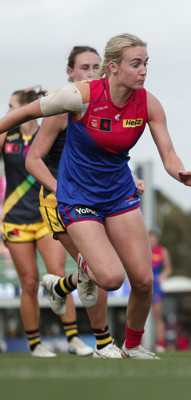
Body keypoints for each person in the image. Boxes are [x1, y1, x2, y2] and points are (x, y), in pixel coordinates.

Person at [0, 33, 191, 359]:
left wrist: (180, 172)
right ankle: (71, 296)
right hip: (78, 198)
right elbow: (23, 115)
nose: (143, 71)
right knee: (109, 277)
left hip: (119, 195)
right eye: (135, 64)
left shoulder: (148, 103)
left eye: (146, 64)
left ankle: (132, 346)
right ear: (114, 67)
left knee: (143, 281)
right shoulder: (77, 96)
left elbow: (169, 155)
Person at [28, 46, 127, 358]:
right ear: (70, 72)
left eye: (97, 66)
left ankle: (61, 286)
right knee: (99, 270)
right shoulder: (62, 108)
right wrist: (62, 189)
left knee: (104, 271)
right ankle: (103, 344)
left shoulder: (105, 108)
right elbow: (33, 161)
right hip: (61, 201)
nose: (92, 71)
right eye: (85, 66)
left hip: (97, 199)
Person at [1, 88, 93, 357]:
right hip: (15, 218)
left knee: (56, 270)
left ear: (25, 107)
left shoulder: (47, 131)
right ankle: (35, 343)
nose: (8, 110)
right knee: (28, 284)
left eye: (11, 105)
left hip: (44, 214)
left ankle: (73, 339)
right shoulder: (8, 136)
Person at [148, 230, 172, 352]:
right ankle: (134, 343)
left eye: (154, 238)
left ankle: (161, 344)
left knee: (157, 316)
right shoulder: (143, 249)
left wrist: (162, 276)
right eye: (151, 238)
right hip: (145, 283)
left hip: (156, 286)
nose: (153, 241)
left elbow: (168, 268)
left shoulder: (163, 251)